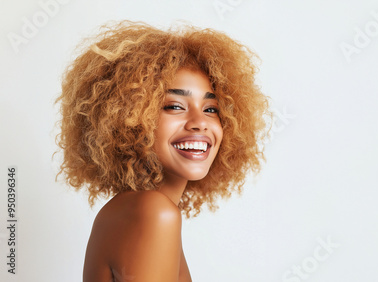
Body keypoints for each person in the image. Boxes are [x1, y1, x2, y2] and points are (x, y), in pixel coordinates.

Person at [55, 20, 271, 282]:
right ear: (130, 119)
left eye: (211, 109)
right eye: (175, 106)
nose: (200, 122)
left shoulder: (138, 209)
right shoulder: (153, 212)